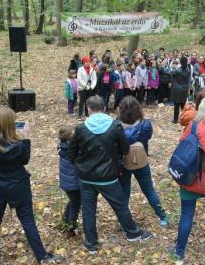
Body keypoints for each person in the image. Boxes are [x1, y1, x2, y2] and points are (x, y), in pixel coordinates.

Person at [67, 96, 152, 254]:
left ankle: (91, 243)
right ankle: (133, 233)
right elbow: (125, 149)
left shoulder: (80, 128)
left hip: (86, 177)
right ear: (104, 108)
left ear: (88, 109)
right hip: (108, 176)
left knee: (88, 210)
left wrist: (81, 164)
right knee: (120, 206)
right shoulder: (115, 126)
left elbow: (71, 153)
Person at [0, 107, 61, 264]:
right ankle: (42, 256)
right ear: (11, 124)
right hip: (18, 187)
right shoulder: (18, 145)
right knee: (27, 220)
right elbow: (25, 160)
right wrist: (26, 138)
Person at [169, 93, 205, 261]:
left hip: (193, 177)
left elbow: (182, 143)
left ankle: (179, 251)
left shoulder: (194, 126)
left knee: (187, 214)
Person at [117, 96, 167, 224]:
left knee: (124, 193)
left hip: (123, 162)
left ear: (121, 110)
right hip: (141, 159)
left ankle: (124, 222)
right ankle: (163, 217)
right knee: (149, 190)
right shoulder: (145, 124)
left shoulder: (117, 126)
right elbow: (147, 138)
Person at [58, 126, 80, 239]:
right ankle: (70, 228)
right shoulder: (71, 151)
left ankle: (65, 221)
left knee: (72, 201)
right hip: (73, 183)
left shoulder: (62, 147)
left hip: (67, 182)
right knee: (75, 204)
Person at [170, 57, 191, 123]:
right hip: (185, 89)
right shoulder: (188, 70)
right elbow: (188, 80)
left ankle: (175, 119)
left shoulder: (177, 70)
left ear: (180, 62)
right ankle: (184, 119)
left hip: (177, 89)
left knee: (176, 105)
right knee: (183, 105)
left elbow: (169, 72)